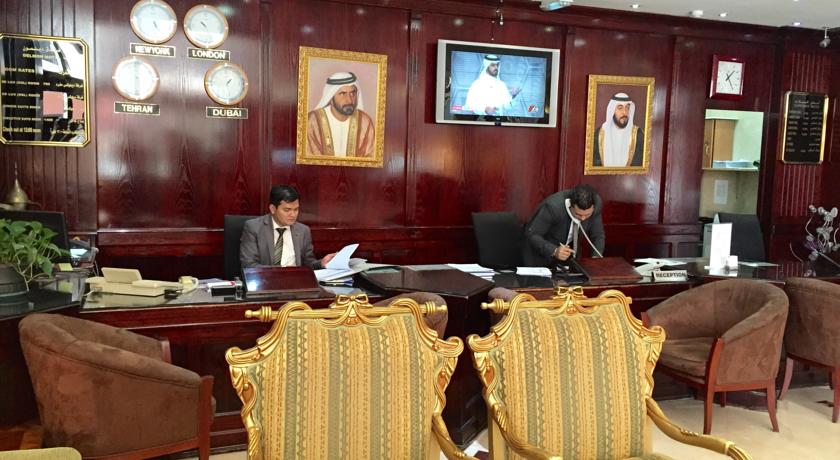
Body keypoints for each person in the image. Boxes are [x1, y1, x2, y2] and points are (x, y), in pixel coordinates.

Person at [240, 185, 335, 270]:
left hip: (296, 282)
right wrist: (284, 271)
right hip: (266, 281)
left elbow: (308, 263)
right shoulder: (254, 228)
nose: (293, 214)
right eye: (287, 210)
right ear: (273, 209)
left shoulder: (303, 230)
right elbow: (249, 265)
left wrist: (321, 263)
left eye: (296, 209)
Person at [522, 184, 605, 267]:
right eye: (578, 214)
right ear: (570, 205)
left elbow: (597, 235)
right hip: (541, 257)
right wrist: (554, 250)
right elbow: (532, 234)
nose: (583, 218)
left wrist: (596, 258)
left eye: (587, 215)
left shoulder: (597, 204)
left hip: (569, 259)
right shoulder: (553, 207)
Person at [306, 71, 375, 158]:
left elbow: (371, 157)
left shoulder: (365, 122)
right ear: (331, 98)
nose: (349, 100)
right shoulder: (312, 121)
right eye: (343, 94)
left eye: (352, 93)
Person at [593, 92, 644, 167]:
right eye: (620, 108)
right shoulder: (599, 135)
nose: (625, 112)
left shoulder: (638, 135)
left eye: (627, 108)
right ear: (612, 110)